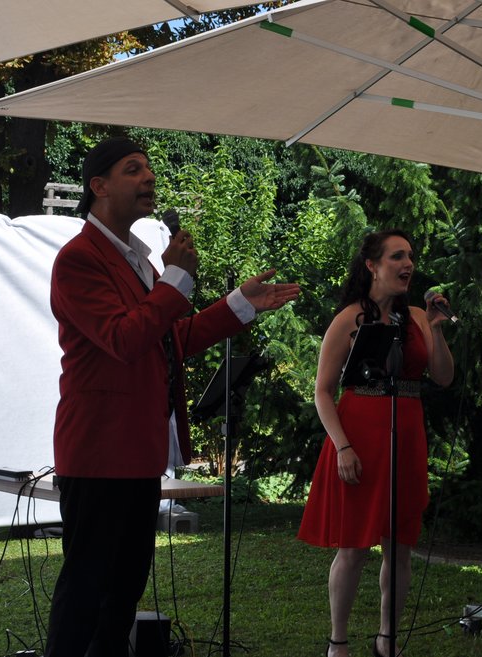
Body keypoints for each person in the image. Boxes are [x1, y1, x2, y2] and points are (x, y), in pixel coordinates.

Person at [44, 136, 300, 657]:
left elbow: (166, 342)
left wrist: (237, 307)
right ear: (98, 186)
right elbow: (123, 337)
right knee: (87, 596)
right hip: (98, 454)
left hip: (138, 454)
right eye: (133, 170)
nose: (149, 178)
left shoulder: (140, 260)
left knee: (122, 597)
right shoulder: (78, 259)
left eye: (149, 169)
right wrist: (178, 280)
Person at [297, 229, 454, 657]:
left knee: (400, 547)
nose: (409, 264)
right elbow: (322, 392)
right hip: (359, 438)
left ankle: (388, 638)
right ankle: (338, 642)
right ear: (372, 265)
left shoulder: (420, 317)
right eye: (397, 256)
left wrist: (437, 331)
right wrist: (343, 447)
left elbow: (443, 377)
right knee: (354, 548)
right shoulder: (349, 318)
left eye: (411, 257)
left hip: (406, 437)